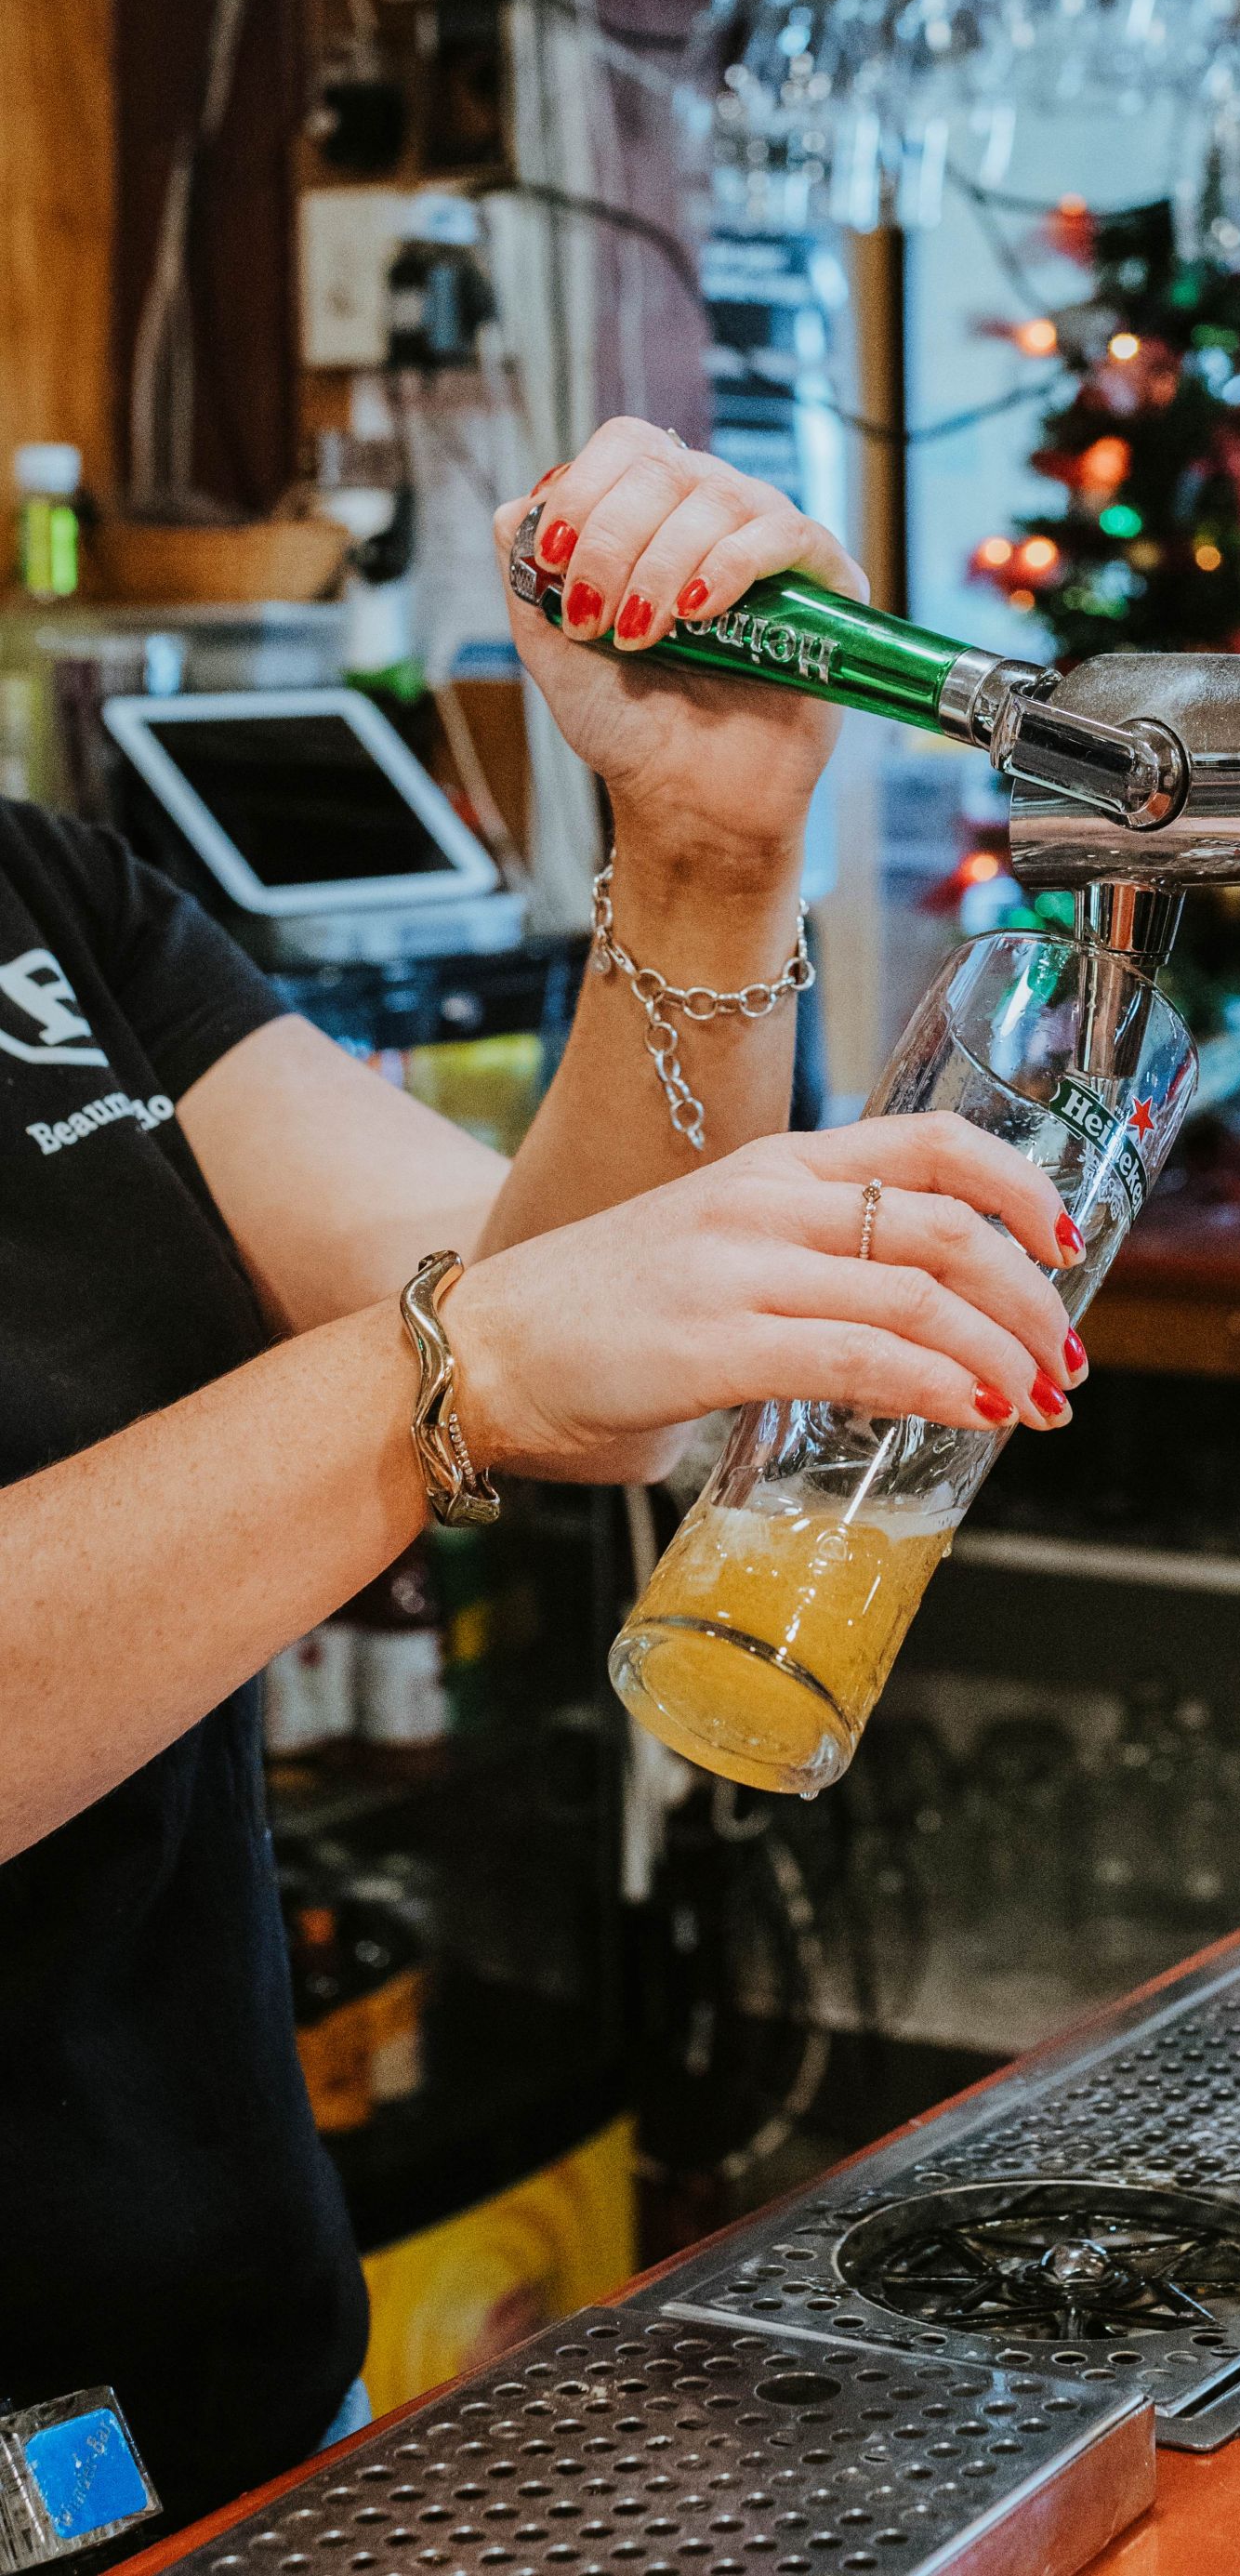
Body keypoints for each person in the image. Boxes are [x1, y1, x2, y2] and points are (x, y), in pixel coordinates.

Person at [0, 422, 1082, 2540]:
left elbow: (604, 1376)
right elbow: (498, 1345)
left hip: (224, 2384)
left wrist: (698, 843)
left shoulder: (43, 900)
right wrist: (453, 1370)